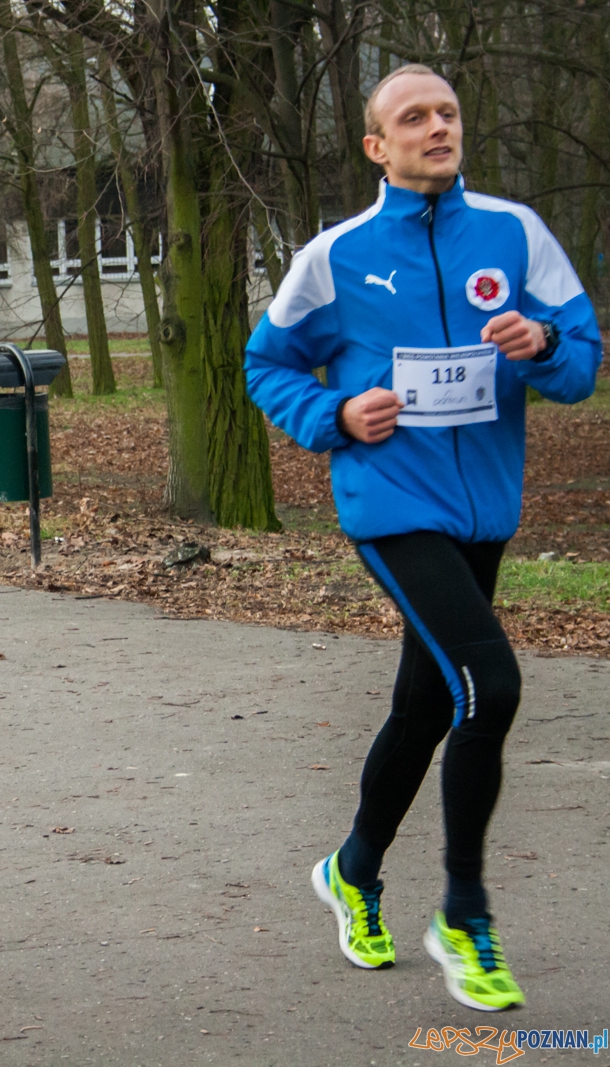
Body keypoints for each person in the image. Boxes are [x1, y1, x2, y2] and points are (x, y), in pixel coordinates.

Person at [245, 65, 601, 1012]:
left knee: (427, 703)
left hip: (484, 509)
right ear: (378, 146)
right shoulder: (337, 255)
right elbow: (266, 363)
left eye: (447, 112)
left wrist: (544, 348)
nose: (437, 127)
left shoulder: (516, 234)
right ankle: (465, 914)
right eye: (414, 117)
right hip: (390, 501)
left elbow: (582, 364)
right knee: (491, 683)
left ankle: (352, 869)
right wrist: (333, 413)